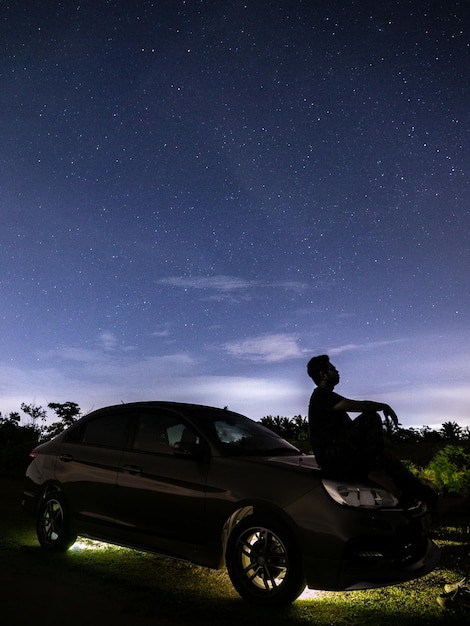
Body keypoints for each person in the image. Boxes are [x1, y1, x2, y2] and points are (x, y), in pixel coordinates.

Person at [307, 354, 439, 509]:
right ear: (323, 375)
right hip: (332, 459)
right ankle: (375, 472)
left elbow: (352, 431)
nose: (337, 371)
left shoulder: (326, 398)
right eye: (332, 369)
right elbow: (358, 406)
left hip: (337, 454)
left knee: (387, 458)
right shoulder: (321, 396)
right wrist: (383, 406)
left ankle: (431, 500)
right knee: (370, 417)